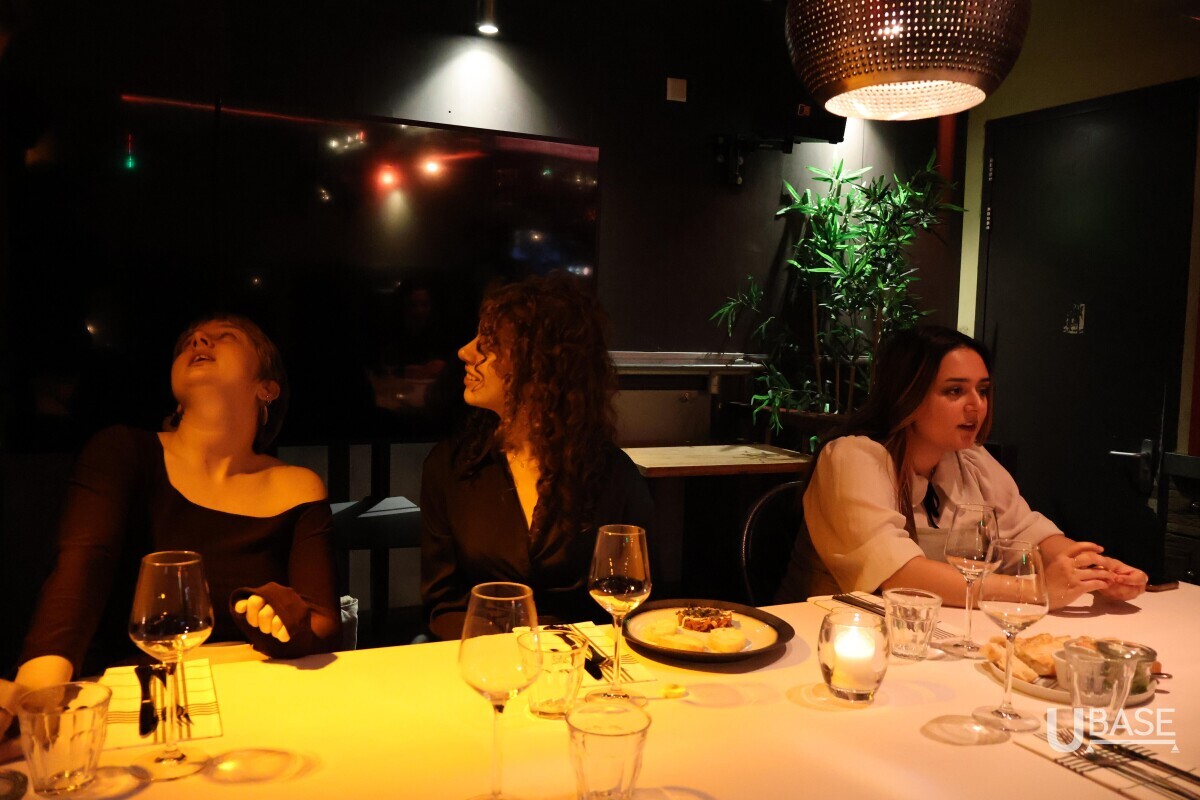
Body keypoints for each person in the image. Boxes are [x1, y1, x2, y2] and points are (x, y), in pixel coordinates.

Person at [1, 315, 341, 758]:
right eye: (188, 342)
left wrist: (283, 617)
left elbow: (324, 629)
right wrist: (35, 695)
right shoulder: (123, 451)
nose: (198, 340)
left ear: (267, 388)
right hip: (139, 707)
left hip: (265, 705)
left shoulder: (298, 485)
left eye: (225, 337)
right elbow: (80, 569)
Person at [798, 324, 1148, 607]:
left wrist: (1093, 570)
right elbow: (899, 574)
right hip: (836, 636)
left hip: (934, 634)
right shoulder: (853, 457)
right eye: (954, 391)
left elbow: (1027, 534)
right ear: (908, 396)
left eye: (982, 390)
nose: (976, 406)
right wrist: (1033, 591)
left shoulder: (970, 459)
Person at [420, 273, 653, 640]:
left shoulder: (611, 473)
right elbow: (443, 603)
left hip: (582, 658)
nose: (465, 352)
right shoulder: (450, 468)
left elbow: (637, 601)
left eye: (489, 344)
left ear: (542, 365)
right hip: (484, 655)